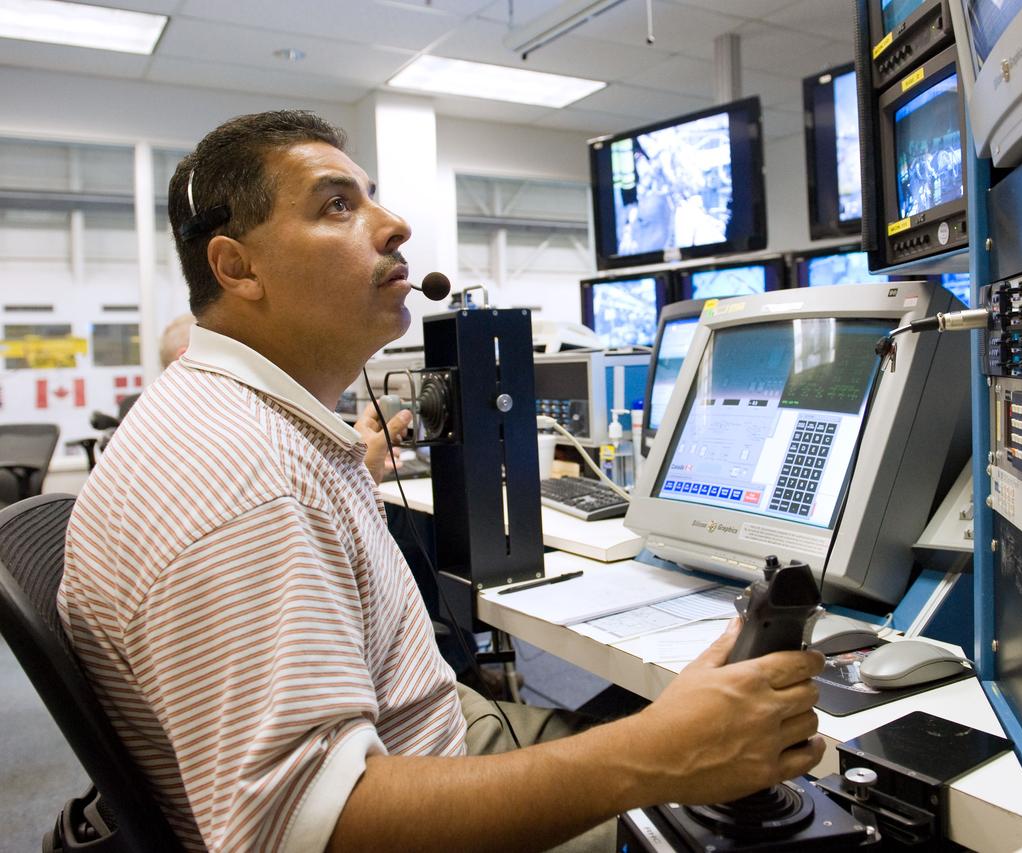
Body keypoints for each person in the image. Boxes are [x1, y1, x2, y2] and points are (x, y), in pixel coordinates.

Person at [58, 111, 825, 853]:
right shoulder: (245, 482)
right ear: (237, 266)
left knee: (658, 715)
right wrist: (662, 751)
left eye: (372, 195)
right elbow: (313, 833)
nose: (393, 225)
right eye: (337, 205)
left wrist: (336, 481)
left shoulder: (237, 426)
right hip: (418, 798)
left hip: (430, 738)